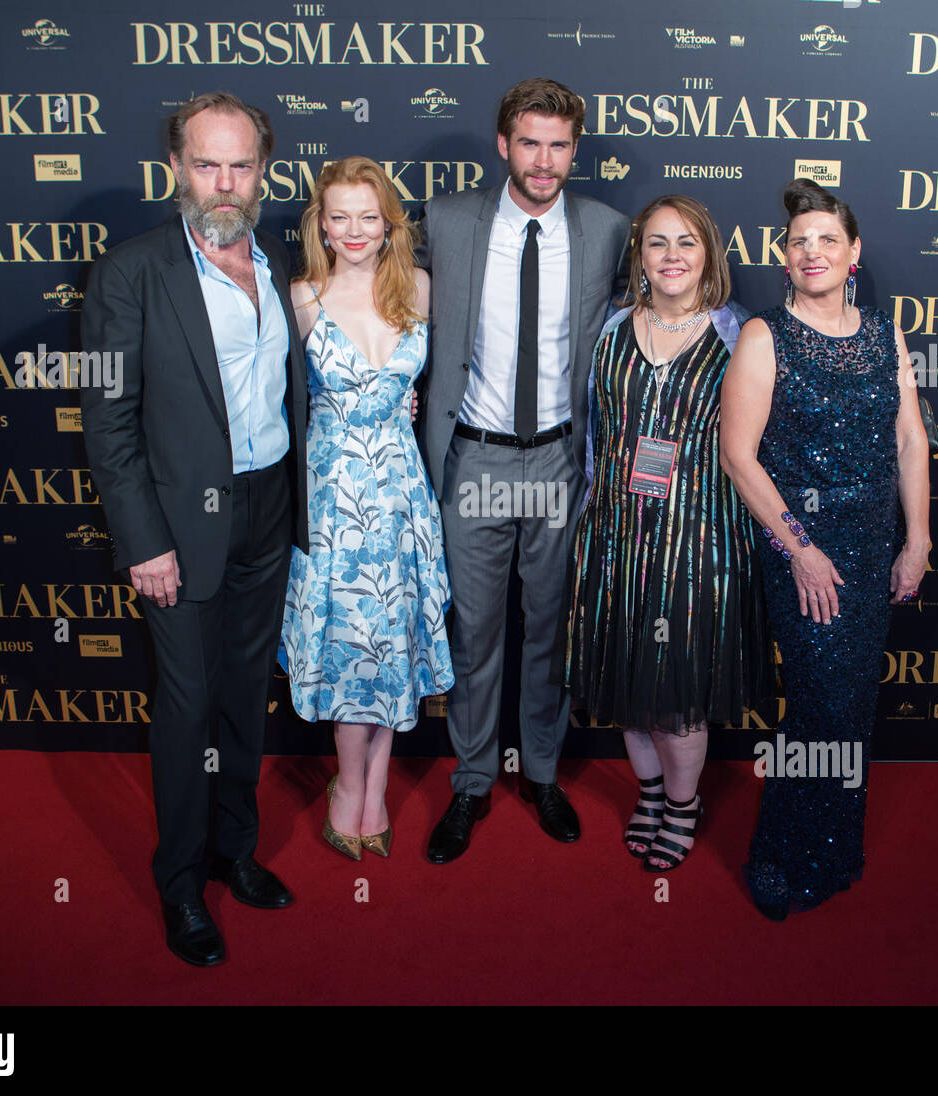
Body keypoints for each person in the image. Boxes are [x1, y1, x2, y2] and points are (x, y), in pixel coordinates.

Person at [81, 92, 308, 966]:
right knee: (186, 706)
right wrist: (143, 541)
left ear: (263, 172)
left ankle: (233, 851)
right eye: (207, 164)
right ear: (177, 167)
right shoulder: (131, 272)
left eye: (240, 165)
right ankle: (180, 884)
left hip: (268, 511)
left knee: (245, 695)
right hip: (179, 526)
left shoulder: (279, 261)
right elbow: (110, 423)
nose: (224, 182)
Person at [415, 77, 631, 862]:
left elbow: (639, 326)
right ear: (503, 144)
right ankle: (472, 781)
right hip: (474, 454)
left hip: (560, 457)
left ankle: (540, 771)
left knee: (550, 627)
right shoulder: (447, 220)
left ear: (576, 150)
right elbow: (391, 300)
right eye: (530, 143)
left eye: (559, 145)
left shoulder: (607, 229)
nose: (544, 161)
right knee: (474, 632)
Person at [719, 178, 931, 919]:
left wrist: (918, 538)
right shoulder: (763, 336)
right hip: (802, 547)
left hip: (872, 545)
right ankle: (782, 856)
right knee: (819, 704)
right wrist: (802, 551)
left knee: (851, 707)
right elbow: (739, 457)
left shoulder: (884, 333)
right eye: (798, 241)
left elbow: (911, 439)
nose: (812, 251)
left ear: (853, 252)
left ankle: (834, 849)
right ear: (785, 257)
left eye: (827, 240)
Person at [560, 195, 773, 873]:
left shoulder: (738, 336)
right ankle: (650, 793)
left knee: (675, 692)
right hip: (616, 536)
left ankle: (683, 805)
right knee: (627, 680)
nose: (672, 255)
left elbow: (761, 444)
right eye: (657, 242)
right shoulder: (609, 330)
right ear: (640, 256)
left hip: (697, 542)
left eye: (686, 242)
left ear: (709, 253)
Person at [281, 156, 453, 861]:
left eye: (368, 216)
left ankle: (376, 788)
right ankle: (349, 785)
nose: (354, 231)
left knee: (393, 647)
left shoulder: (419, 288)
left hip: (403, 497)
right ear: (321, 224)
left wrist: (403, 403)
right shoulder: (301, 297)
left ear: (389, 224)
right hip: (334, 501)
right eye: (339, 217)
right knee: (352, 650)